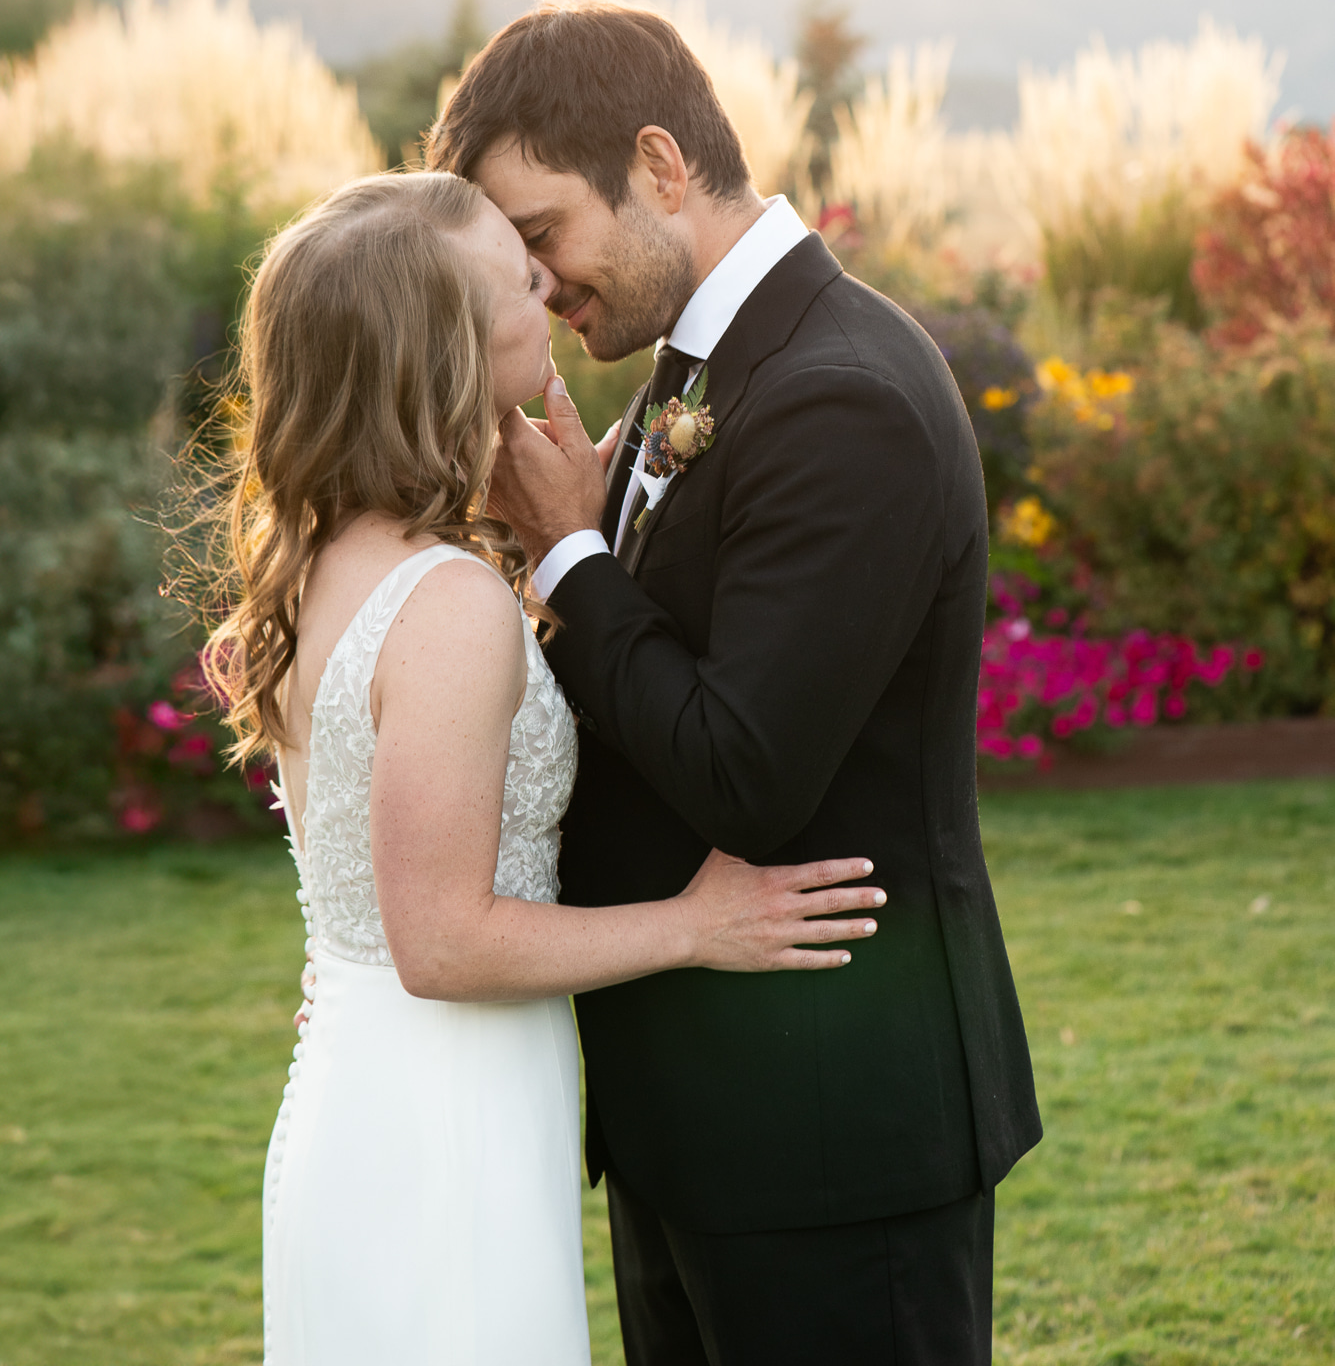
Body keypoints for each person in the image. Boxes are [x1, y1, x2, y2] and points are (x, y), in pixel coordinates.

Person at [427, 0, 1043, 1366]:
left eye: (540, 239)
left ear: (657, 166)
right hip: (695, 1124)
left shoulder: (839, 395)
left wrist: (573, 558)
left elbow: (743, 772)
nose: (538, 288)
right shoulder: (695, 370)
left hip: (829, 1132)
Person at [201, 169, 888, 1366]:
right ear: (450, 347)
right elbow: (445, 940)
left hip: (380, 1089)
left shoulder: (340, 555)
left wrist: (563, 543)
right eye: (519, 277)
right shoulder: (447, 600)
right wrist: (695, 922)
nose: (549, 285)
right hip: (440, 1128)